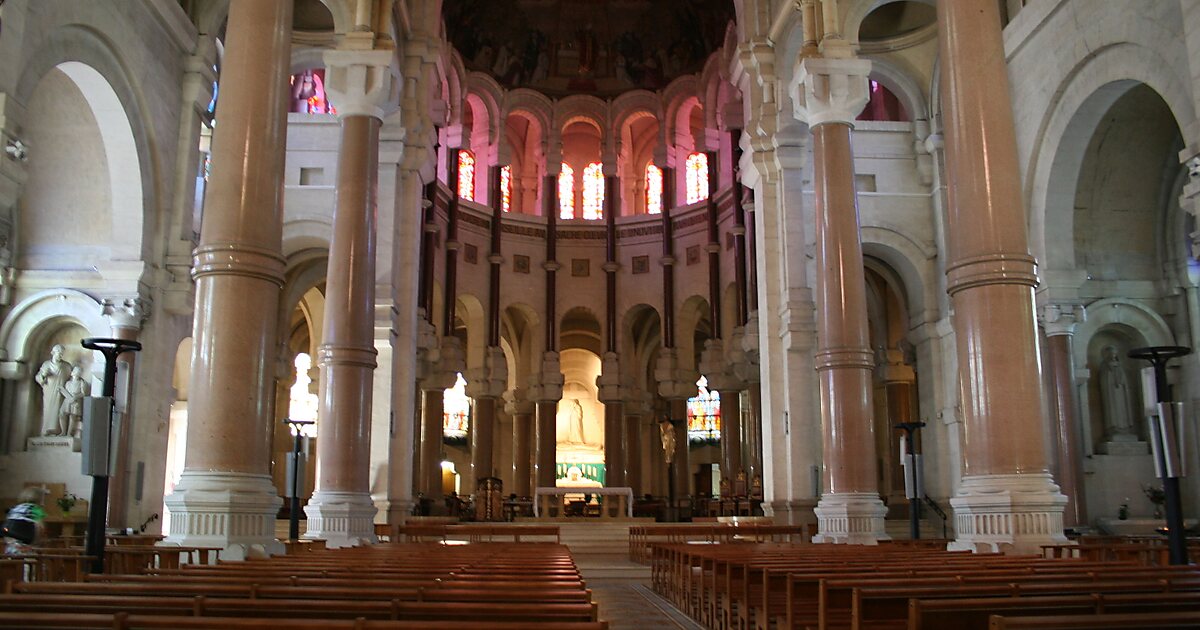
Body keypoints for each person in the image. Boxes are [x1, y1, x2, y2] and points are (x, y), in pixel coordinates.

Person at [34, 344, 72, 436]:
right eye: (58, 353)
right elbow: (38, 377)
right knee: (48, 409)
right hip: (49, 391)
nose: (60, 355)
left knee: (59, 411)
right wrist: (43, 375)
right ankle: (47, 429)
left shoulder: (66, 366)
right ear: (53, 353)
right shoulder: (46, 364)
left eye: (62, 354)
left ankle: (58, 430)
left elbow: (70, 379)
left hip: (61, 391)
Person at [2, 487, 47, 555]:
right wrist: (39, 541)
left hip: (10, 545)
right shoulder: (36, 509)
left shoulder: (15, 508)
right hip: (26, 546)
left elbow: (7, 524)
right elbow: (40, 527)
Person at [57, 365, 89, 438]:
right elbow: (65, 392)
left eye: (79, 371)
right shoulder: (68, 383)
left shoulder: (82, 382)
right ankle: (63, 431)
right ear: (72, 373)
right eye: (76, 371)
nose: (77, 372)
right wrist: (63, 392)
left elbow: (83, 393)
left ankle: (69, 433)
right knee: (62, 414)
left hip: (76, 400)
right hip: (67, 400)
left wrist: (75, 397)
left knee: (72, 416)